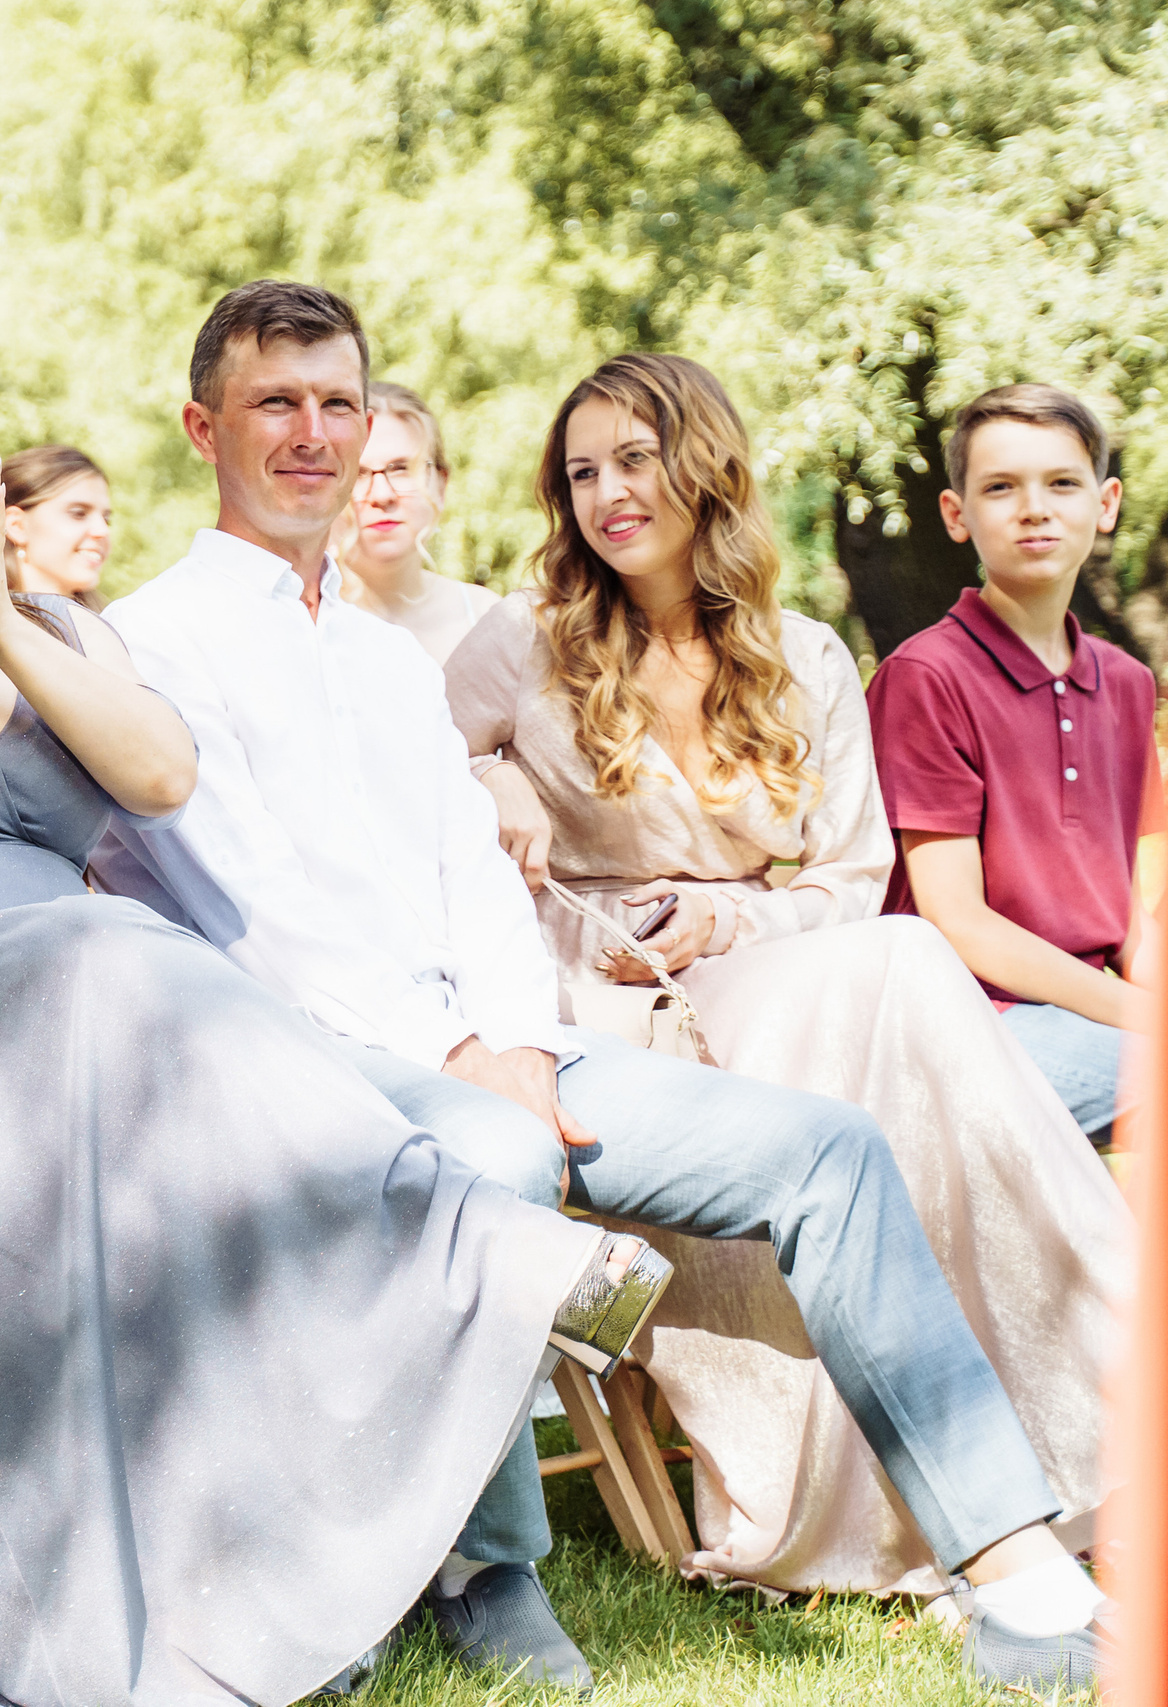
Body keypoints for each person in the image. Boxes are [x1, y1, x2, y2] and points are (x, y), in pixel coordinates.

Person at [90, 285, 1113, 1696]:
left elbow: (472, 879)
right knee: (490, 1149)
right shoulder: (153, 640)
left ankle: (1014, 1567)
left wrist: (512, 1032)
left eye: (339, 401)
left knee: (826, 1146)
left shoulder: (388, 660)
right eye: (277, 401)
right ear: (205, 426)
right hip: (317, 1060)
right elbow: (242, 903)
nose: (314, 433)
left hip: (518, 1039)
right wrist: (464, 1050)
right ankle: (484, 1565)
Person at [0, 318, 670, 1707]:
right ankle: (464, 1241)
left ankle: (321, 1528)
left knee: (111, 966)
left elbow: (157, 771)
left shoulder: (54, 628)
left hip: (67, 1045)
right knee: (109, 948)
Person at [443, 349, 1129, 1610]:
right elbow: (405, 790)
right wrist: (482, 779)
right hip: (604, 1009)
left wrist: (729, 915)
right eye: (581, 472)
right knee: (905, 977)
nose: (606, 495)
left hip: (775, 974)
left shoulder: (803, 654)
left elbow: (849, 877)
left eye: (634, 461)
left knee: (894, 961)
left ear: (701, 467)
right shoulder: (521, 644)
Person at [868, 382, 1156, 1144]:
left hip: (1082, 1015)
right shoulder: (926, 676)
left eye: (1062, 482)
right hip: (960, 1022)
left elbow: (1135, 914)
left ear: (1106, 502)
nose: (1035, 507)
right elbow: (957, 921)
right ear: (957, 515)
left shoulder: (1127, 684)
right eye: (1001, 487)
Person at [328, 382, 498, 663]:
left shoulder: (486, 617)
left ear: (440, 486)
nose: (382, 495)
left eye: (401, 470)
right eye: (359, 473)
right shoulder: (298, 618)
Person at [0, 443, 113, 609]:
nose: (103, 531)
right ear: (17, 525)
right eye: (78, 513)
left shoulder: (113, 627)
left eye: (107, 519)